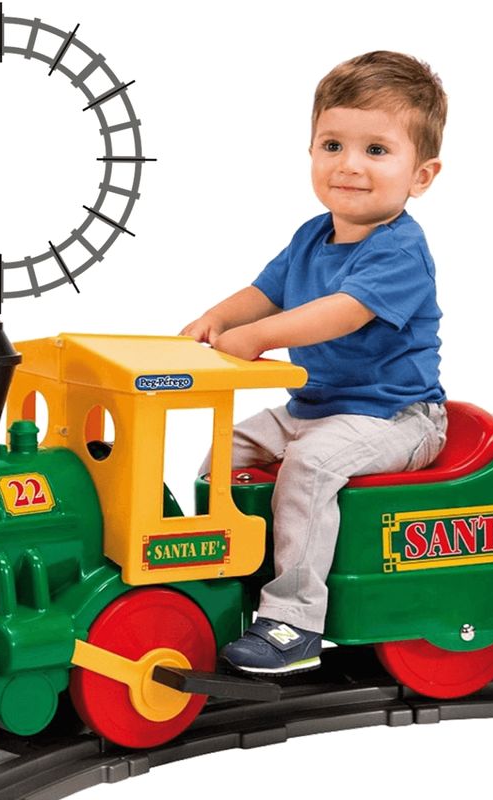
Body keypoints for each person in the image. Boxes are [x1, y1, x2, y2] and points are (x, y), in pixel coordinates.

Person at [181, 51, 448, 674]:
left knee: (309, 467)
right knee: (225, 449)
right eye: (332, 145)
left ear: (421, 175)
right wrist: (216, 319)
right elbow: (264, 292)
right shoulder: (311, 235)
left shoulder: (400, 250)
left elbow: (341, 313)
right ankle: (222, 572)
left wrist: (257, 338)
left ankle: (294, 620)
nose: (349, 164)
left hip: (396, 418)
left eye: (376, 150)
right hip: (315, 407)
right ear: (310, 152)